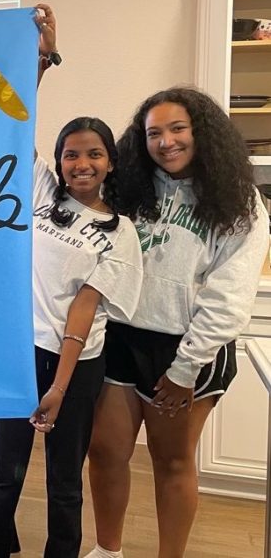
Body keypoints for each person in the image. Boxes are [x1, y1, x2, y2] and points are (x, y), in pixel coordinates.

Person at [0, 7, 144, 558]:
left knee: (64, 484)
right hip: (18, 354)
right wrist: (40, 61)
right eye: (71, 154)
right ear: (59, 162)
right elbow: (13, 123)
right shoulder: (43, 195)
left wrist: (57, 386)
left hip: (74, 364)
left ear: (110, 163)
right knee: (4, 474)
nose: (81, 163)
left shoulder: (119, 235)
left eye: (94, 154)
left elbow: (83, 311)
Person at [85, 87, 270, 558]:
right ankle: (108, 551)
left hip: (187, 349)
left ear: (201, 132)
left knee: (171, 462)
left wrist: (186, 368)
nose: (165, 141)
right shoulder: (128, 189)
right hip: (122, 337)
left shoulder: (240, 203)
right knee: (105, 453)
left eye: (177, 129)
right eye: (153, 133)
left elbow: (230, 296)